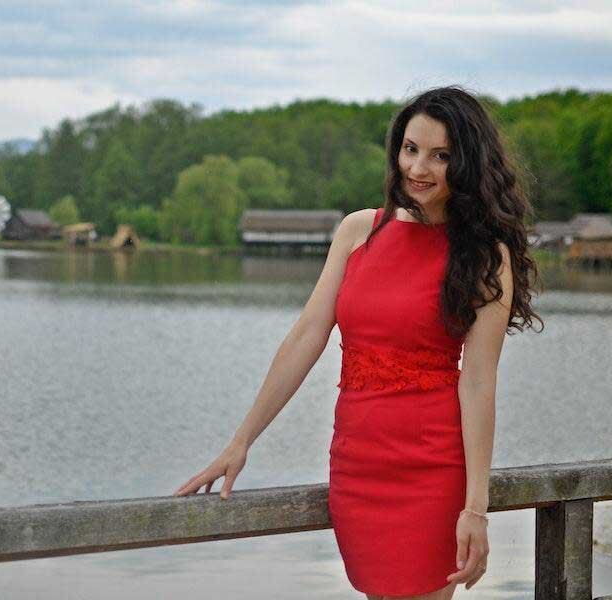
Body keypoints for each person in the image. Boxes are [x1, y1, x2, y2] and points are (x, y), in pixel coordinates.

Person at [173, 85, 543, 599]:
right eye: (411, 149)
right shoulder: (358, 232)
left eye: (441, 156)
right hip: (357, 464)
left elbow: (478, 382)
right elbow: (306, 336)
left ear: (468, 164)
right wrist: (241, 441)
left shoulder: (485, 255)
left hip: (432, 470)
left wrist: (474, 507)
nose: (419, 168)